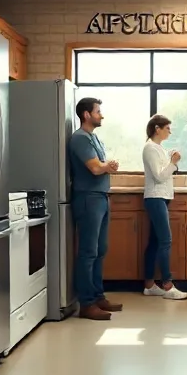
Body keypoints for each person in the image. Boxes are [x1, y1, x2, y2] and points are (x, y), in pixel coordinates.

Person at [68, 97, 123, 321]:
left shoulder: (94, 138)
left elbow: (101, 166)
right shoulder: (80, 138)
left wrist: (106, 166)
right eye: (98, 111)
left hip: (100, 197)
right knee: (88, 252)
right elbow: (95, 168)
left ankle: (98, 296)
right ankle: (87, 303)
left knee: (100, 250)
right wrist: (106, 166)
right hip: (88, 198)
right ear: (86, 115)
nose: (101, 115)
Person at [141, 114, 187, 300]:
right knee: (165, 241)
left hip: (161, 198)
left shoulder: (158, 148)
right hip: (155, 198)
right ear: (157, 129)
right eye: (167, 128)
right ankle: (168, 286)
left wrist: (170, 161)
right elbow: (159, 176)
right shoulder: (150, 148)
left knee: (155, 242)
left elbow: (162, 172)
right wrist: (173, 163)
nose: (170, 131)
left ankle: (149, 286)